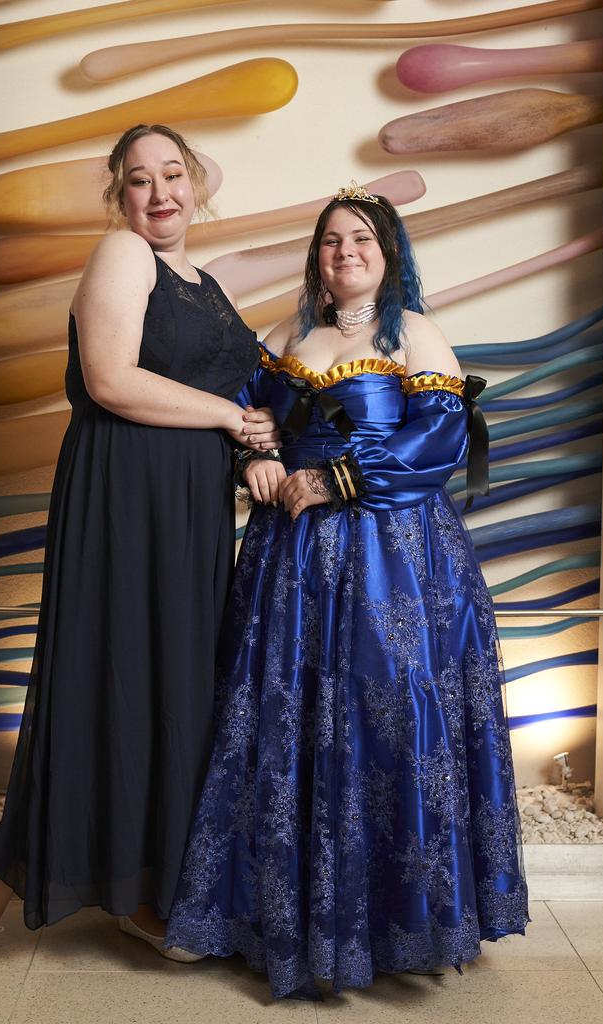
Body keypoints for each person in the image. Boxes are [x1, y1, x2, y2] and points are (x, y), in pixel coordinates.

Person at [164, 183, 529, 998]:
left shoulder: (418, 335)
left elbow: (435, 441)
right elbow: (247, 413)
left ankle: (407, 920)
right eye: (331, 241)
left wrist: (334, 479)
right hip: (290, 561)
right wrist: (253, 457)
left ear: (388, 253)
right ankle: (271, 916)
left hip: (392, 557)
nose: (345, 252)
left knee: (389, 712)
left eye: (361, 238)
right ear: (316, 258)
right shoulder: (287, 334)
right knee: (280, 716)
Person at [0, 124, 280, 957]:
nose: (159, 192)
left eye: (174, 174)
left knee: (173, 688)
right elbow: (110, 379)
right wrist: (231, 420)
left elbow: (249, 378)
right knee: (106, 675)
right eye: (139, 180)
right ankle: (2, 869)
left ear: (198, 185)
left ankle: (147, 886)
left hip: (188, 502)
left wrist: (269, 440)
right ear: (119, 196)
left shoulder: (203, 281)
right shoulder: (122, 255)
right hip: (123, 489)